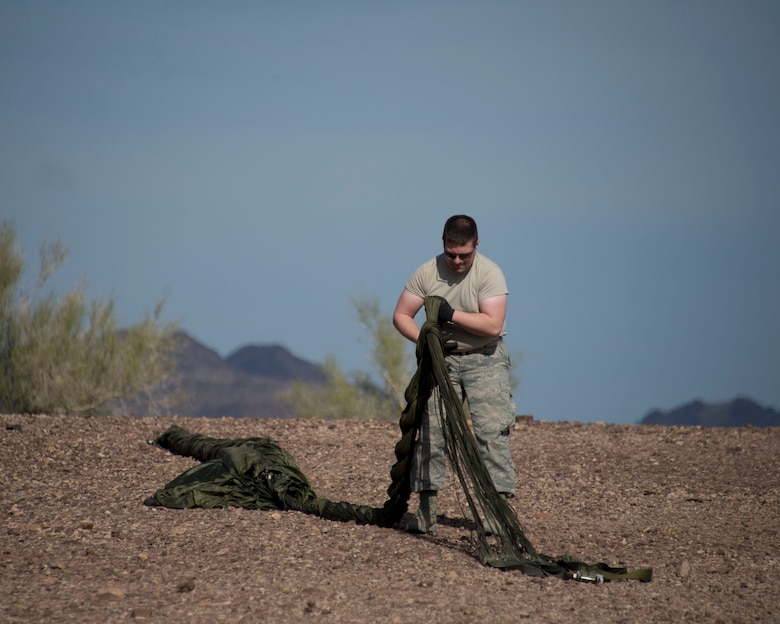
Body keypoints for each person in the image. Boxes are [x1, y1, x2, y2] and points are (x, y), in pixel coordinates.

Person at [392, 214, 517, 534]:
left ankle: (497, 511)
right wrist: (424, 338)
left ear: (476, 245)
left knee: (490, 431)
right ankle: (426, 510)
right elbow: (402, 315)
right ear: (443, 245)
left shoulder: (490, 274)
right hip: (443, 359)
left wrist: (451, 315)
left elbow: (492, 325)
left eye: (465, 254)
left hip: (484, 359)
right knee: (431, 430)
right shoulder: (426, 272)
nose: (457, 260)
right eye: (451, 254)